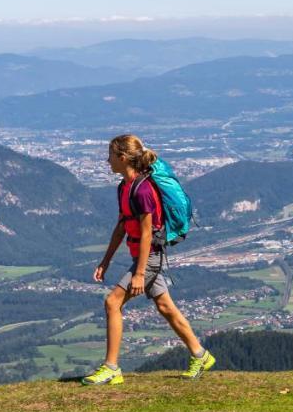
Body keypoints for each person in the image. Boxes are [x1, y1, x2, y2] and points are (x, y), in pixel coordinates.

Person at [81, 134, 215, 385]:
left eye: (110, 156)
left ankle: (111, 367)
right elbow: (122, 226)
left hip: (149, 256)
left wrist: (140, 273)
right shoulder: (124, 187)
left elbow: (146, 232)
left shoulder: (142, 190)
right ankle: (201, 355)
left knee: (112, 303)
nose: (107, 160)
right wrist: (105, 261)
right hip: (143, 256)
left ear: (122, 158)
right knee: (165, 307)